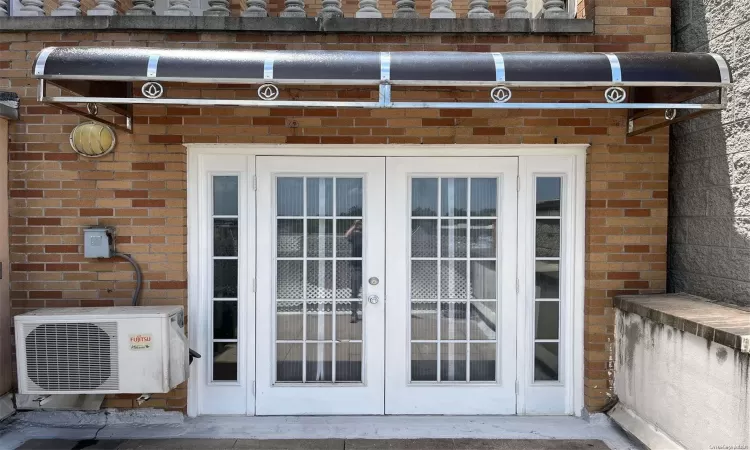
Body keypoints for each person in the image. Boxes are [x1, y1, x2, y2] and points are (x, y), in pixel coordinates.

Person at [345, 220, 363, 323]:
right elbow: (346, 235)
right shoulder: (355, 236)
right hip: (357, 267)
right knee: (355, 292)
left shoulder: (368, 235)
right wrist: (353, 226)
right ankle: (354, 314)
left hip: (371, 267)